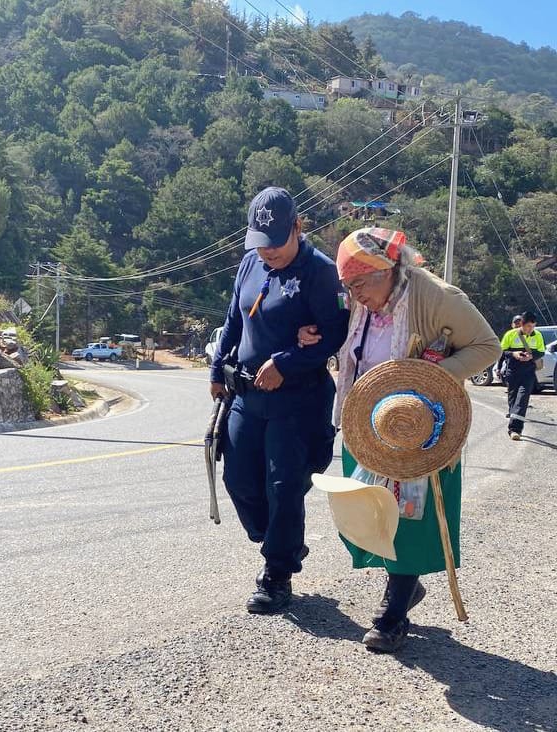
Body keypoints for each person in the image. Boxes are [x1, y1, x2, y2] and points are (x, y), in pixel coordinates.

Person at [298, 227, 500, 652]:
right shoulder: (364, 300)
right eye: (347, 286)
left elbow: (487, 346)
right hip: (367, 423)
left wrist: (428, 379)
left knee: (407, 517)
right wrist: (310, 335)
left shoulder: (436, 296)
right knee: (372, 513)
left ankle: (393, 614)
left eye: (358, 283)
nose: (353, 294)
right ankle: (405, 589)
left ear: (385, 269)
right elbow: (348, 342)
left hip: (418, 426)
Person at [209, 187, 349, 614]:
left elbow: (335, 333)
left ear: (298, 227)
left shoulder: (320, 273)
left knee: (284, 488)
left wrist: (287, 361)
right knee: (239, 481)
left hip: (297, 401)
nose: (266, 252)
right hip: (246, 395)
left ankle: (277, 573)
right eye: (260, 243)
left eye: (275, 243)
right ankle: (279, 542)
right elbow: (235, 318)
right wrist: (218, 369)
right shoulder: (251, 262)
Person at [500, 311, 545, 440]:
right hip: (513, 370)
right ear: (521, 324)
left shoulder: (538, 335)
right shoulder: (510, 334)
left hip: (528, 372)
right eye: (528, 326)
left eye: (533, 326)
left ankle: (515, 430)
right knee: (513, 398)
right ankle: (513, 416)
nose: (530, 329)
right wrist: (514, 354)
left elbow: (541, 351)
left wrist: (532, 356)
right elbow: (502, 351)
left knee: (522, 398)